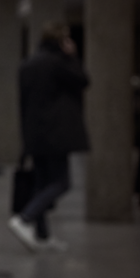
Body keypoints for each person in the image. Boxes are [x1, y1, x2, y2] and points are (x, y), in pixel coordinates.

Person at [8, 22, 89, 252]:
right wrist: (72, 56)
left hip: (35, 133)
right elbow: (83, 80)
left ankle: (43, 236)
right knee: (61, 183)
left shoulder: (28, 64)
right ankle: (25, 218)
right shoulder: (59, 63)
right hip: (57, 133)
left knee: (42, 183)